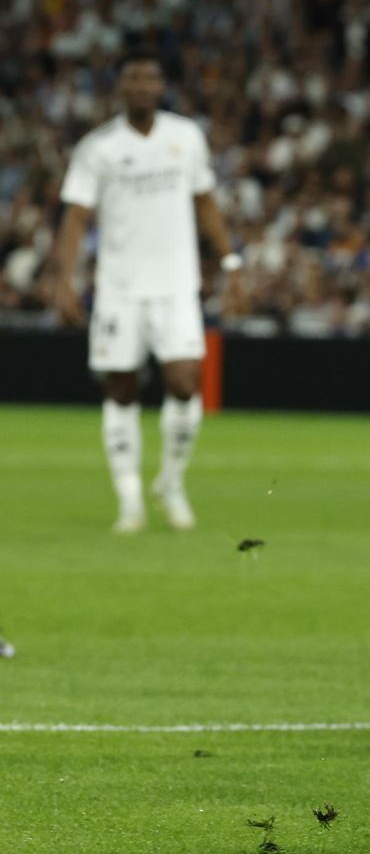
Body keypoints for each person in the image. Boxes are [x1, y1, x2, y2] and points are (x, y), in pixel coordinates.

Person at [53, 49, 236, 534]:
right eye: (133, 77)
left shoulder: (186, 137)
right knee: (121, 388)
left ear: (161, 86)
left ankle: (171, 482)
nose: (142, 85)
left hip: (176, 284)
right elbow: (76, 217)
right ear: (121, 86)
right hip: (119, 287)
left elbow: (205, 201)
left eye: (150, 78)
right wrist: (64, 279)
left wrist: (231, 261)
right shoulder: (98, 147)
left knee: (184, 382)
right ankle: (129, 497)